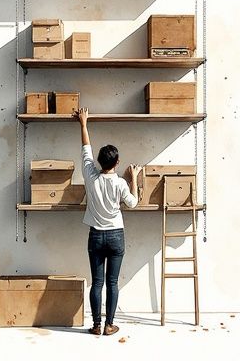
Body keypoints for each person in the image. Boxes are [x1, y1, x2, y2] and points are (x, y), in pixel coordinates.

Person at [74, 107, 138, 336]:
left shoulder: (91, 176)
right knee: (112, 283)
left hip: (96, 236)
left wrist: (83, 123)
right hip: (116, 235)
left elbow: (86, 150)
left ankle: (96, 325)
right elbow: (133, 203)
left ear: (99, 162)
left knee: (97, 282)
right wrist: (134, 178)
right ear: (117, 162)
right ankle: (110, 325)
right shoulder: (121, 183)